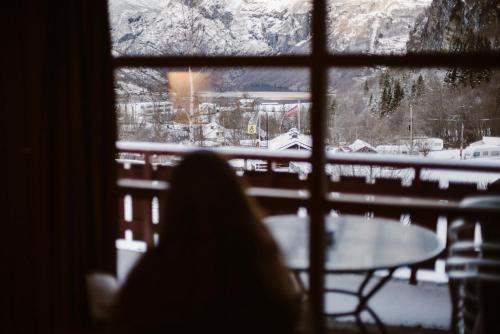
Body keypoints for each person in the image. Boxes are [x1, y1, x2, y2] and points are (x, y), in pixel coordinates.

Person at [109, 151, 300, 334]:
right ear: (238, 201)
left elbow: (125, 319)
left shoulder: (154, 274)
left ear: (174, 204)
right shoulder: (263, 273)